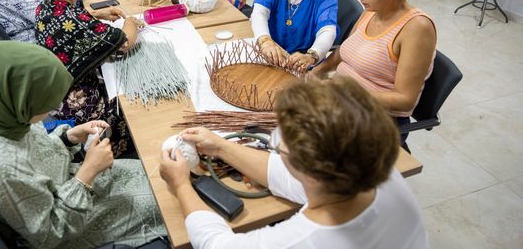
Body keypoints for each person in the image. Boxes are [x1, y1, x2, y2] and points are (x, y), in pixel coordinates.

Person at [159, 77, 428, 249]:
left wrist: (181, 184)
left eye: (279, 144)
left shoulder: (301, 241)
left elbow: (215, 244)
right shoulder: (370, 167)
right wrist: (221, 147)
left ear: (309, 170)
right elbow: (289, 179)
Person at [0, 41, 166, 249]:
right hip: (69, 225)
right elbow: (49, 234)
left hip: (70, 185)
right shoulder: (3, 169)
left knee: (155, 172)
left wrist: (69, 138)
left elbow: (39, 154)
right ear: (23, 100)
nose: (55, 106)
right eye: (48, 101)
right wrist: (88, 173)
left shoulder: (3, 114)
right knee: (166, 203)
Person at [311, 0, 437, 146]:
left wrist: (345, 93)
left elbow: (405, 99)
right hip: (341, 103)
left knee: (300, 146)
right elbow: (343, 52)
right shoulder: (371, 11)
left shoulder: (417, 28)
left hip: (378, 120)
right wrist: (316, 72)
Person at [29, 0, 143, 156]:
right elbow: (124, 42)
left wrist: (98, 14)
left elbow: (72, 19)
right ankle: (124, 149)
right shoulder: (78, 23)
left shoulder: (44, 7)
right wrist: (130, 22)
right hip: (78, 104)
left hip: (53, 92)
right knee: (133, 102)